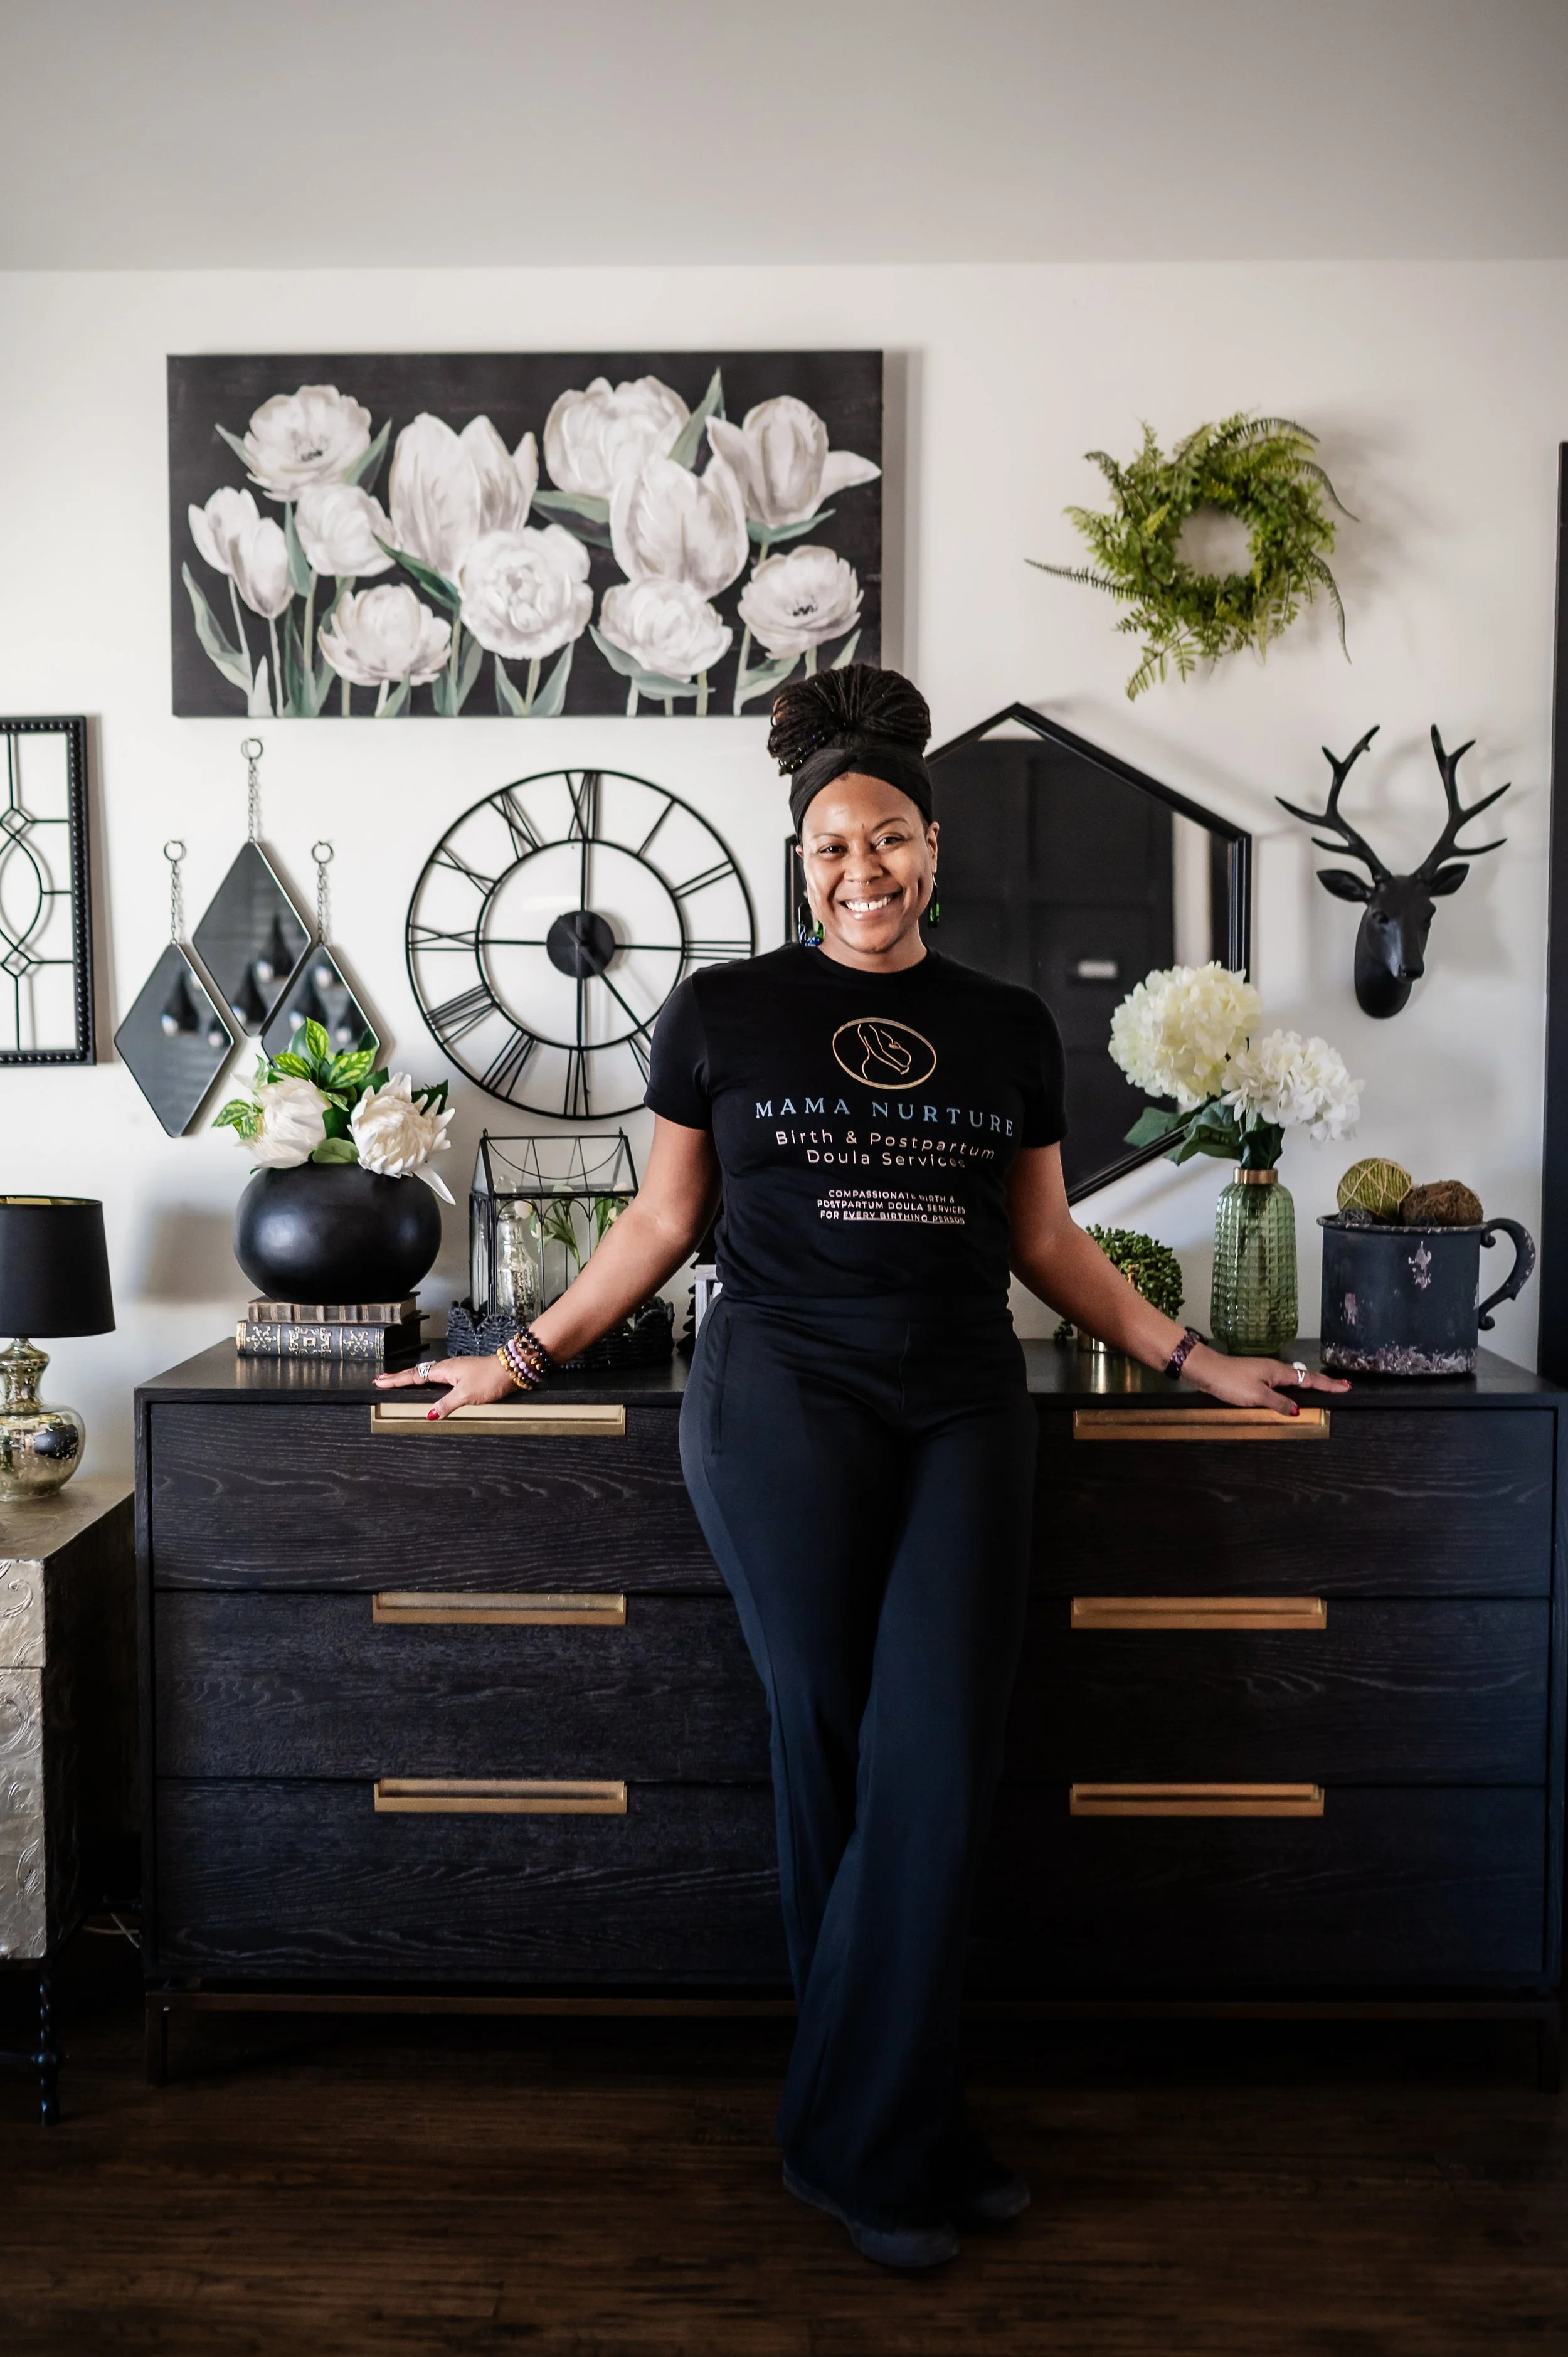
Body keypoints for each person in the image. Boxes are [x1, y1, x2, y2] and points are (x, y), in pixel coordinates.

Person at [376, 664, 1347, 2270]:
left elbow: (1045, 1241)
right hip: (779, 1402)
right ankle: (897, 2129)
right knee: (826, 1743)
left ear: (930, 849)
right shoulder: (725, 1011)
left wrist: (1193, 1359)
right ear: (800, 862)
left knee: (937, 1756)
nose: (860, 871)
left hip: (963, 1402)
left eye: (885, 840)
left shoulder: (1003, 1025)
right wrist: (517, 1357)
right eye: (829, 848)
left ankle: (853, 2127)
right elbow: (656, 1222)